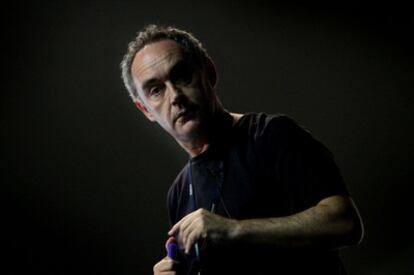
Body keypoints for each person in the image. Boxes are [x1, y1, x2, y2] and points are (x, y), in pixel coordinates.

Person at [120, 25, 364, 275]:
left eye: (182, 75)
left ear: (209, 72)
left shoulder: (272, 135)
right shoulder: (178, 194)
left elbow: (345, 222)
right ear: (146, 110)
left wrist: (234, 229)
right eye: (156, 90)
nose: (175, 96)